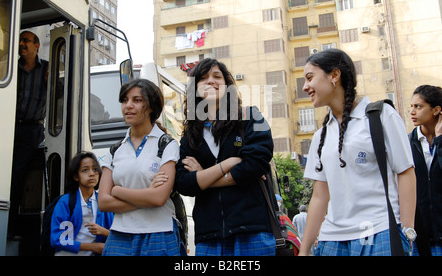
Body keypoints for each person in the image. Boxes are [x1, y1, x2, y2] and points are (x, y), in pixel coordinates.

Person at [298, 48, 416, 256]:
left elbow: (405, 172)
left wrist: (407, 231)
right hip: (332, 240)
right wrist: (305, 249)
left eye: (310, 78)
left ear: (334, 75)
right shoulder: (320, 136)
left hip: (380, 232)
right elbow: (319, 196)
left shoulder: (381, 116)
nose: (305, 87)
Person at [175, 58, 276, 256]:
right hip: (209, 237)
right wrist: (228, 164)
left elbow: (255, 164)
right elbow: (183, 183)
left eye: (217, 76)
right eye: (203, 78)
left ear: (227, 86)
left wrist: (204, 176)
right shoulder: (189, 135)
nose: (211, 81)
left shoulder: (251, 116)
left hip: (252, 230)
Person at [98, 78, 185, 256]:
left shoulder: (167, 144)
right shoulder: (115, 150)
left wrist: (118, 191)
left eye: (137, 100)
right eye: (124, 100)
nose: (128, 106)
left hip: (159, 233)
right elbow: (103, 202)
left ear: (151, 106)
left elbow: (159, 198)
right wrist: (146, 196)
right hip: (120, 235)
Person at [8, 31, 49, 238]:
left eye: (26, 41)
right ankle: (9, 227)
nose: (22, 44)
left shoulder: (46, 68)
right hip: (11, 127)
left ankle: (18, 228)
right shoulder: (11, 67)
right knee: (10, 177)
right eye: (20, 41)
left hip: (34, 129)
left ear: (36, 46)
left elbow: (59, 92)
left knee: (23, 178)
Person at [50, 151, 113, 256]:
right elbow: (58, 239)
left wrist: (103, 231)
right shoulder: (66, 202)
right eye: (85, 170)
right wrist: (92, 247)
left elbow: (116, 235)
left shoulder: (103, 202)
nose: (92, 173)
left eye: (95, 169)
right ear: (76, 176)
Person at [409, 85, 442, 256]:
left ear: (436, 110)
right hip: (418, 239)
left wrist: (440, 140)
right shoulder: (408, 144)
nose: (412, 112)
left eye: (418, 106)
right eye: (411, 106)